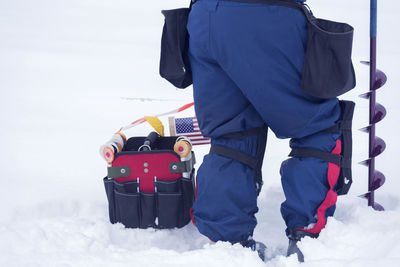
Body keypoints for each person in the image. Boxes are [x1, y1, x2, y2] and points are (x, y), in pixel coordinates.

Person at [187, 0, 345, 262]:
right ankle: (308, 233)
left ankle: (227, 242)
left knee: (232, 131)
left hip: (207, 18)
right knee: (316, 123)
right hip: (269, 14)